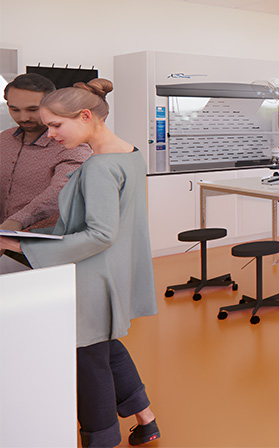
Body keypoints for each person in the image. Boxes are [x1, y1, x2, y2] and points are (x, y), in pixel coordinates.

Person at [0, 79, 160, 447]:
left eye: (56, 125)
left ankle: (101, 440)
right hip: (112, 272)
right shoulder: (130, 154)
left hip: (90, 276)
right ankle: (145, 419)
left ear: (86, 116)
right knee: (104, 347)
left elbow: (100, 234)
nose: (51, 134)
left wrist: (20, 245)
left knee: (89, 365)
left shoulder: (99, 168)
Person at [1, 74, 92, 251]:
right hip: (5, 241)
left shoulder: (71, 144)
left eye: (32, 109)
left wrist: (15, 222)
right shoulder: (4, 139)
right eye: (15, 109)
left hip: (45, 245)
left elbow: (61, 191)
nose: (24, 117)